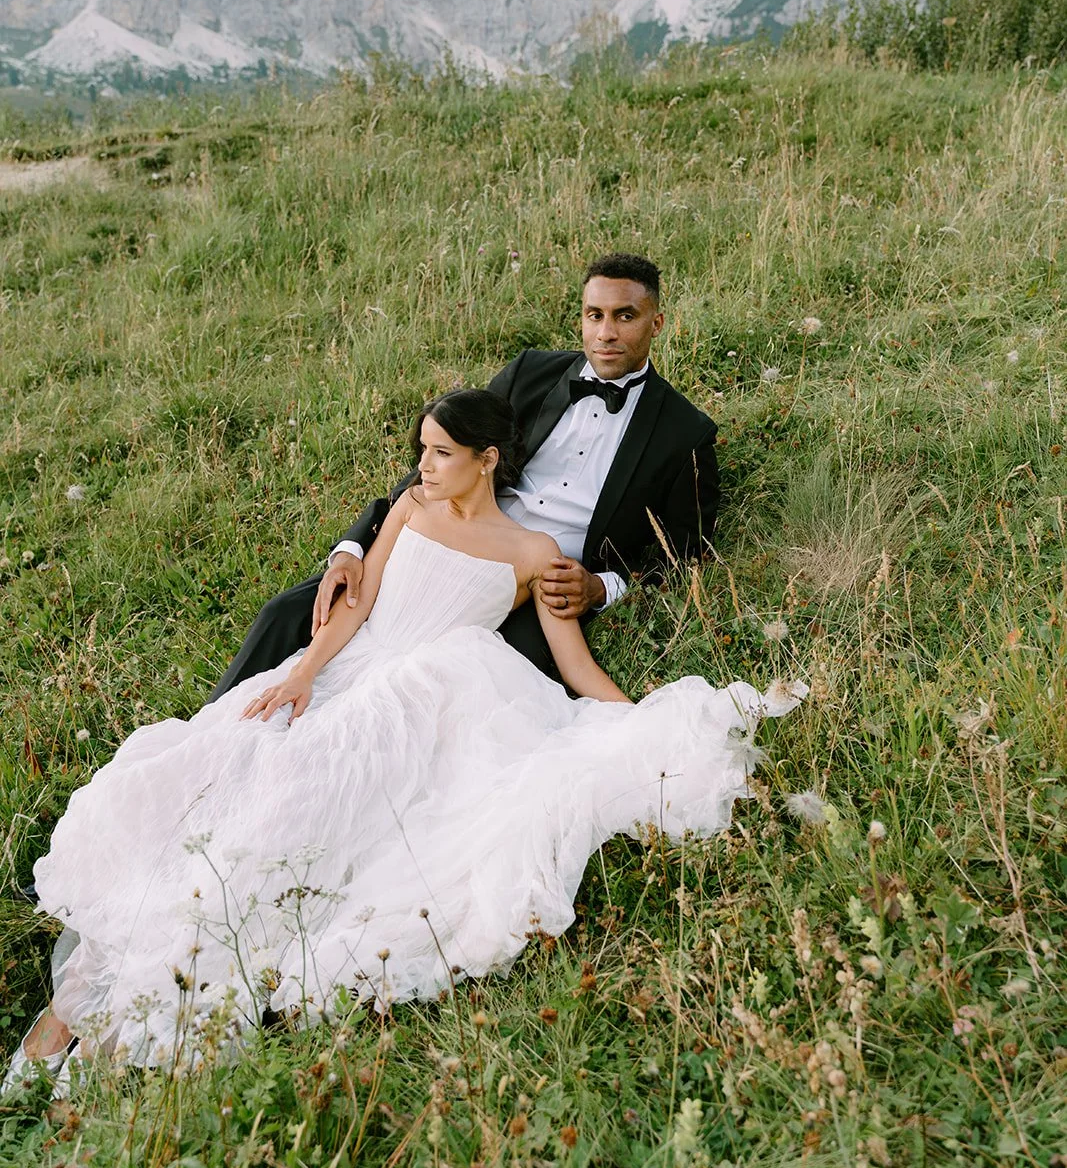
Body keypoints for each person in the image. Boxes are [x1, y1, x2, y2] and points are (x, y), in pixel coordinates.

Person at [5, 389, 803, 1090]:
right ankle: (76, 1008)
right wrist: (302, 672)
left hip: (429, 694)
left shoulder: (534, 554)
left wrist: (638, 721)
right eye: (420, 450)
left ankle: (130, 1024)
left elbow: (571, 660)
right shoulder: (409, 510)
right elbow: (358, 604)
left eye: (441, 453)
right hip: (352, 670)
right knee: (214, 792)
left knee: (297, 824)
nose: (423, 466)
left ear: (486, 460)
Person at [208, 252, 719, 697]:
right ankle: (219, 732)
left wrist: (602, 588)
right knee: (288, 614)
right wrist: (353, 548)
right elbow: (441, 458)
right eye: (594, 315)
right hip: (451, 533)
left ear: (656, 323)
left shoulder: (685, 433)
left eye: (624, 316)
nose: (606, 332)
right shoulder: (530, 372)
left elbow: (684, 554)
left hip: (539, 580)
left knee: (488, 682)